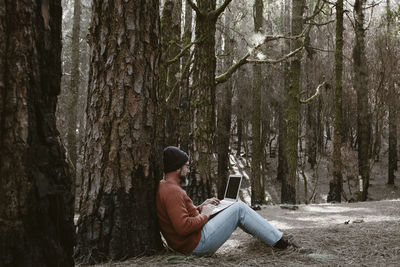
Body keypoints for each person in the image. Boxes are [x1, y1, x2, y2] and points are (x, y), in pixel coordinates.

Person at [156, 146, 296, 256]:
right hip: (196, 245)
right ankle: (280, 243)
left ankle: (269, 238)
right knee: (239, 208)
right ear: (177, 168)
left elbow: (182, 215)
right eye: (186, 166)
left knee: (234, 207)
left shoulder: (165, 186)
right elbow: (183, 227)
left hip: (191, 241)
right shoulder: (173, 192)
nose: (188, 170)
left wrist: (201, 207)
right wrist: (205, 215)